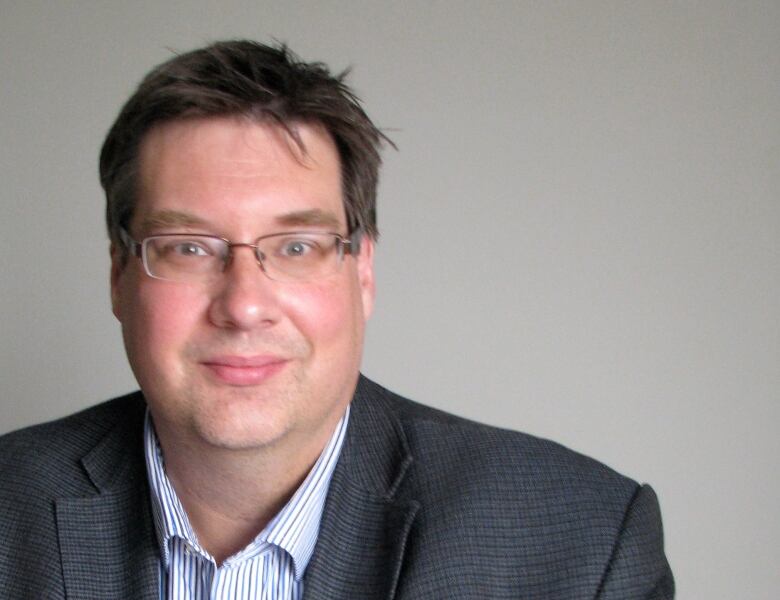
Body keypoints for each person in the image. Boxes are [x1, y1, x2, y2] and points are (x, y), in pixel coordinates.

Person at [0, 40, 674, 599]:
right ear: (119, 274)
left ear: (363, 271)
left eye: (297, 247)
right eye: (187, 247)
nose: (244, 304)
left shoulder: (579, 546)